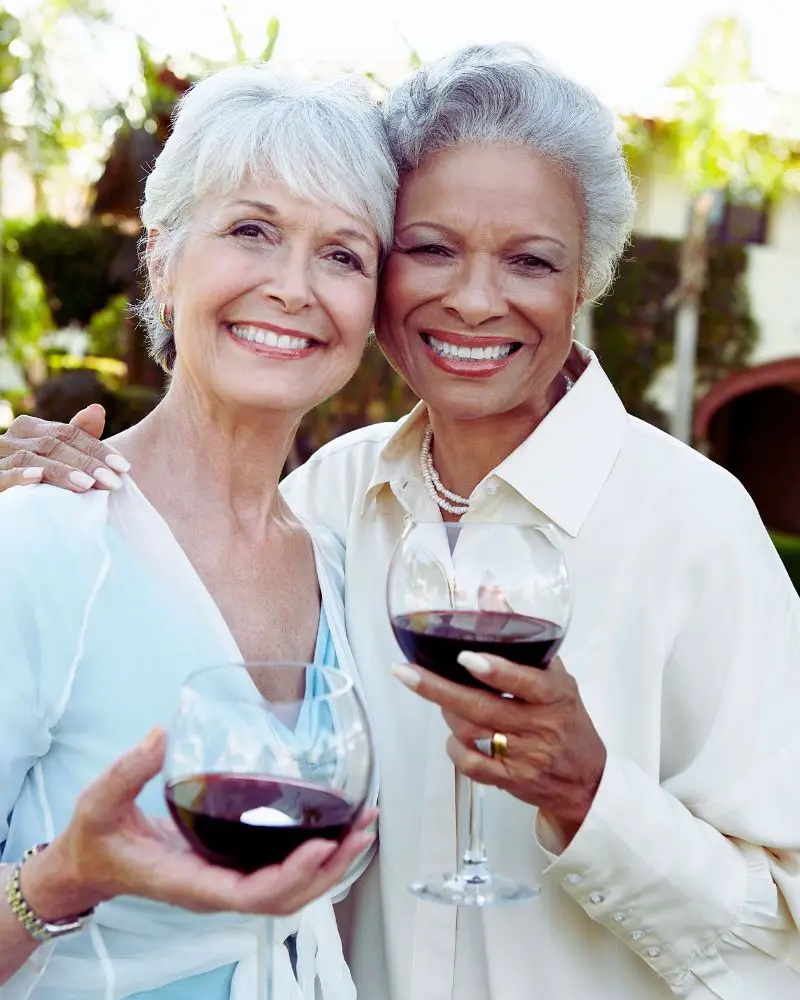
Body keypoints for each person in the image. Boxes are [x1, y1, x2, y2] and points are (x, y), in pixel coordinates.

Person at [2, 44, 799, 1000]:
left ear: (584, 281)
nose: (472, 298)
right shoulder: (332, 502)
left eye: (530, 260)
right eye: (429, 248)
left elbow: (782, 938)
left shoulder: (696, 529)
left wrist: (592, 798)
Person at [0, 62, 396, 999]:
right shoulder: (42, 543)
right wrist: (65, 881)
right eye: (251, 230)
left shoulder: (341, 562)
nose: (294, 286)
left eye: (342, 254)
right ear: (163, 260)